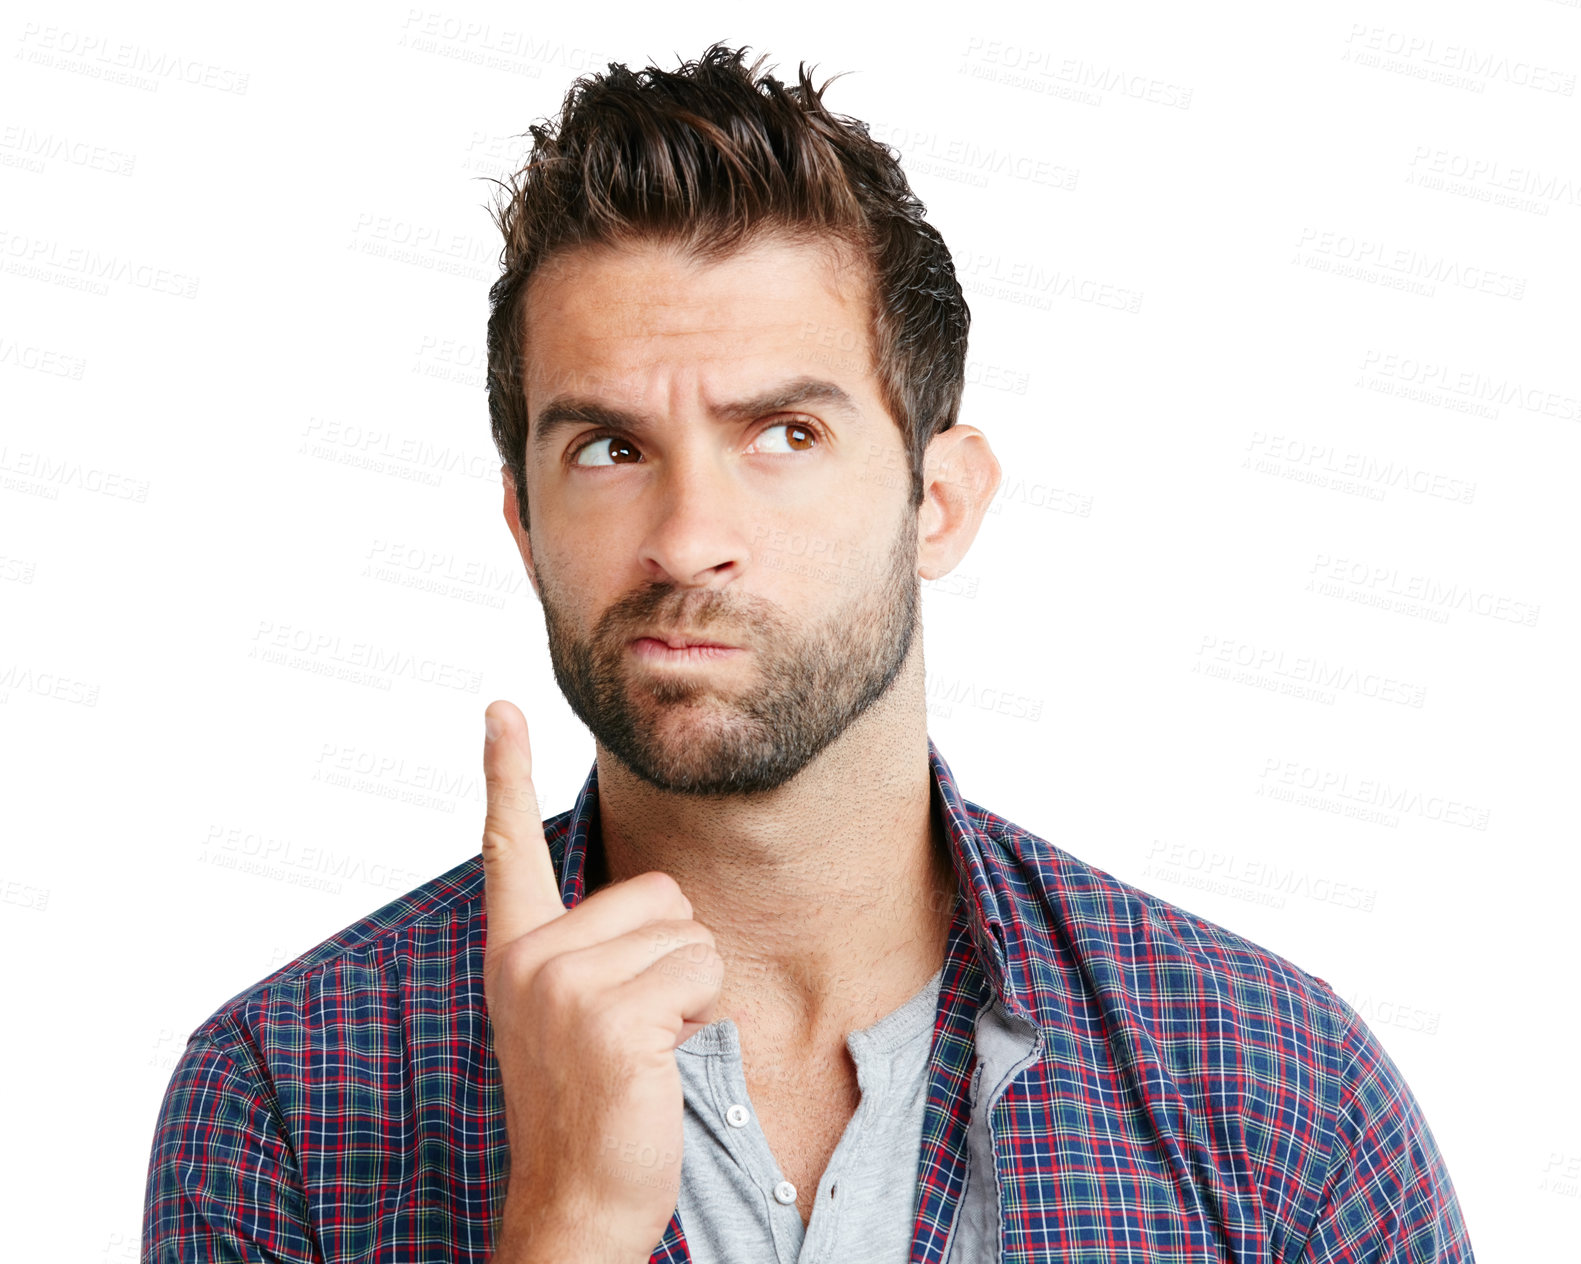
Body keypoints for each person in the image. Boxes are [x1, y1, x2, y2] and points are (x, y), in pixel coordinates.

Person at [141, 42, 1474, 1264]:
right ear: (523, 522)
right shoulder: (290, 1094)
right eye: (607, 449)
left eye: (784, 434)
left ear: (937, 502)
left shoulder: (1278, 1097)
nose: (686, 539)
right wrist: (566, 1224)